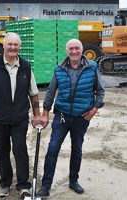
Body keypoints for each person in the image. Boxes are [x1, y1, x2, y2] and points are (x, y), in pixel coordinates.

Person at [37, 39, 105, 197]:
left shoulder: (92, 67)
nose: (74, 51)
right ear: (67, 51)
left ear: (82, 50)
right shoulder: (59, 69)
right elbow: (50, 92)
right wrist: (45, 113)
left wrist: (94, 110)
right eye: (71, 49)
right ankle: (45, 186)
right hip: (62, 116)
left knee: (77, 149)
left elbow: (100, 91)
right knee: (53, 149)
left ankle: (73, 181)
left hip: (81, 118)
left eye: (77, 48)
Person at [0, 32, 41, 198]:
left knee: (20, 150)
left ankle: (23, 185)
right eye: (10, 44)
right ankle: (5, 184)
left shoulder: (25, 66)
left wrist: (37, 115)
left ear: (19, 47)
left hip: (19, 118)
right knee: (2, 150)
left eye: (16, 45)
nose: (13, 47)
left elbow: (33, 93)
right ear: (3, 45)